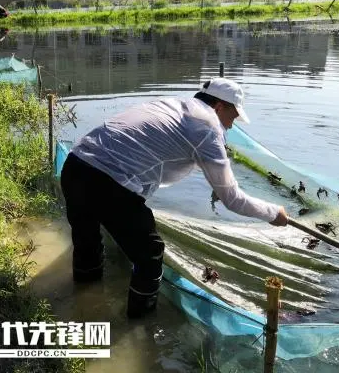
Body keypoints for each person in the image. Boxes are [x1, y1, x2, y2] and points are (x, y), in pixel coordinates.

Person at [60, 77, 289, 319]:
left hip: (75, 166)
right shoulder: (207, 128)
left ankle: (83, 305)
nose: (231, 126)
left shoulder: (173, 104)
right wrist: (274, 213)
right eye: (232, 117)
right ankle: (139, 332)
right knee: (150, 254)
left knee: (87, 243)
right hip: (106, 182)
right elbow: (232, 198)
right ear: (219, 106)